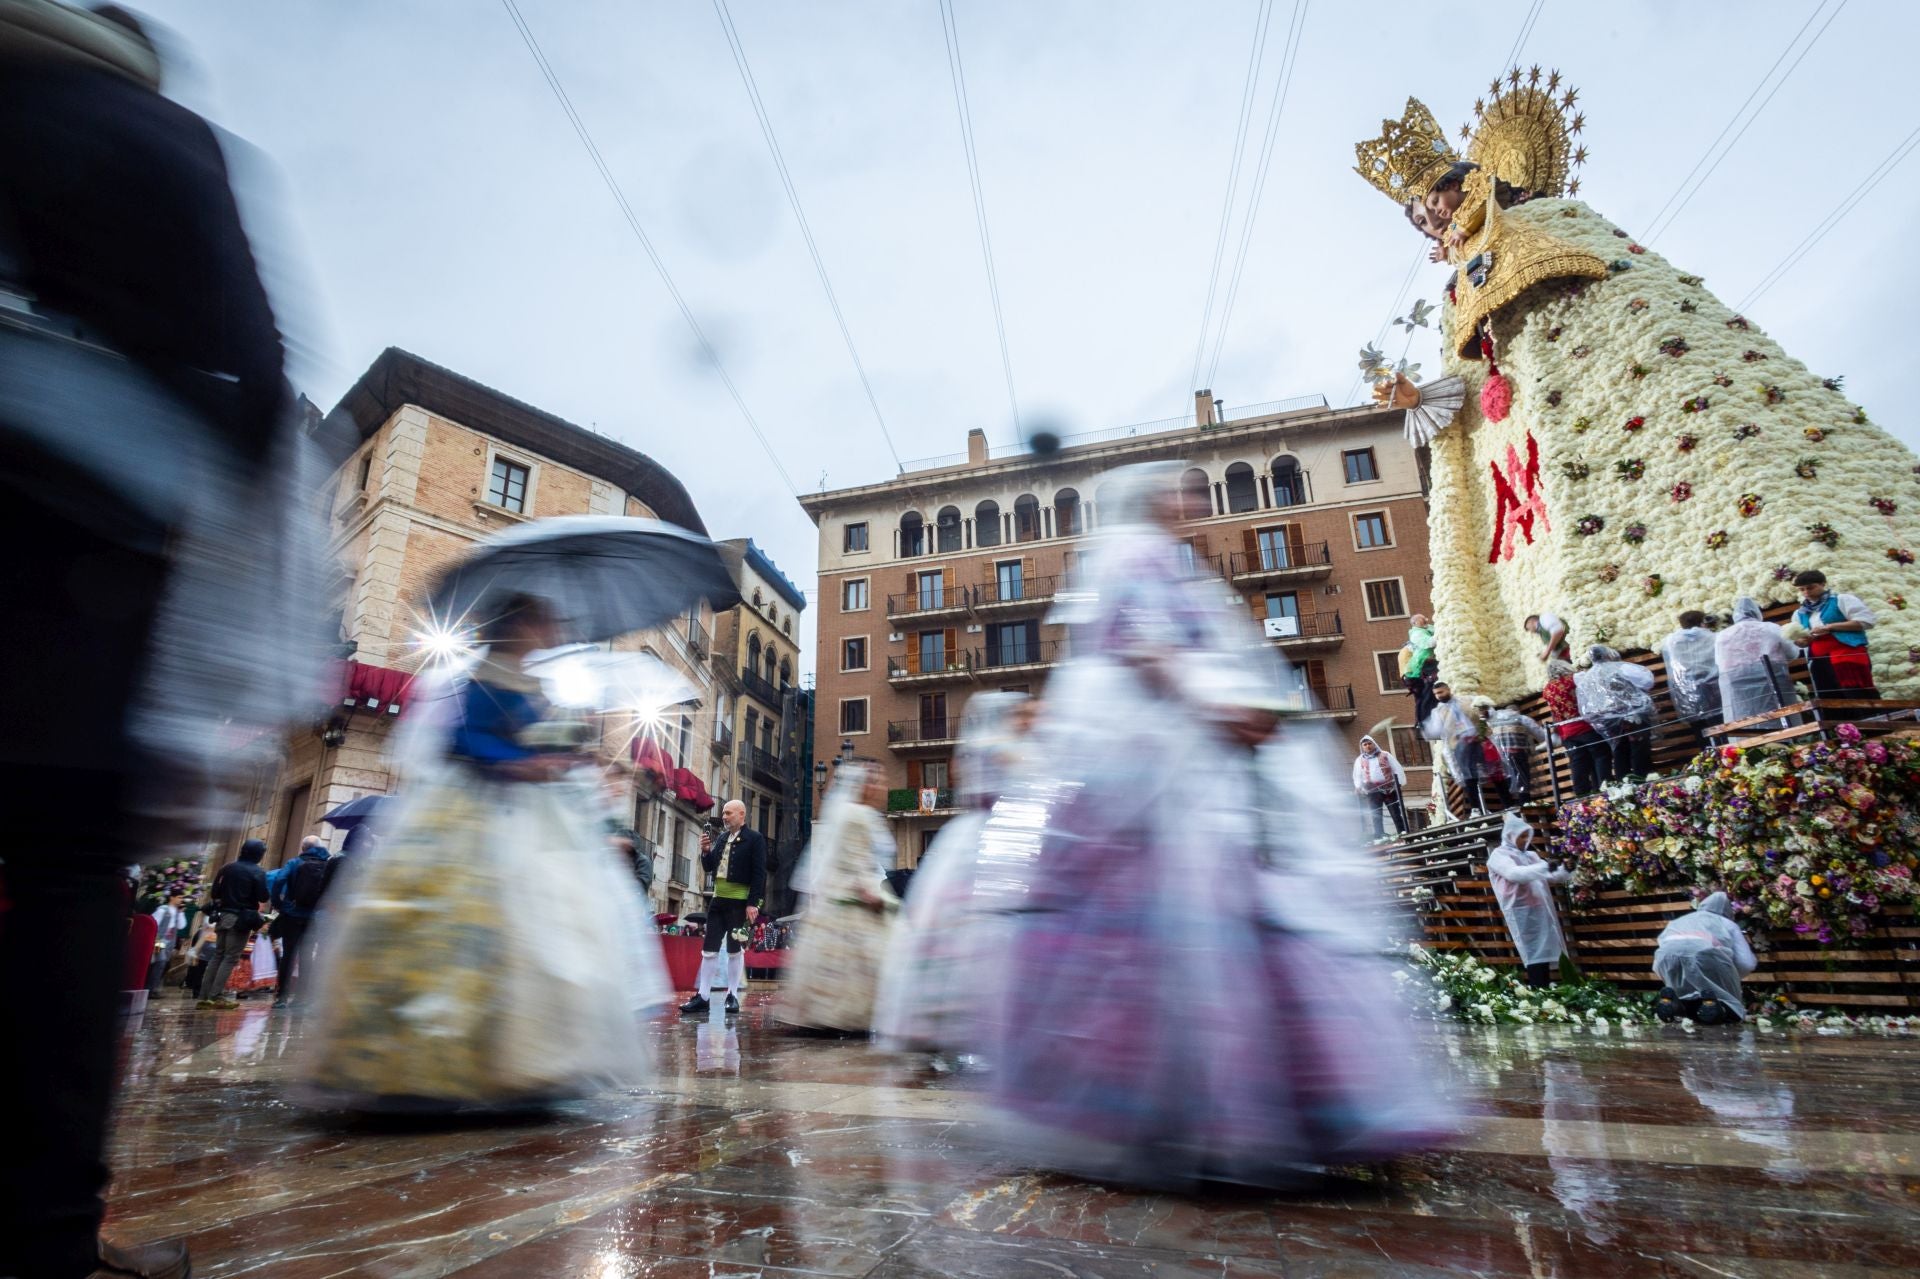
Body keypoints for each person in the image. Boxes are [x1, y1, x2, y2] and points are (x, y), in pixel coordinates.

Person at [984, 462, 1454, 1187]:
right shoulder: (1135, 554)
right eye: (1184, 490)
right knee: (1193, 932)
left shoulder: (1170, 561)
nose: (1196, 502)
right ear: (1153, 499)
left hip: (1193, 773)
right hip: (1154, 784)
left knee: (1240, 924)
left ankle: (1249, 1104)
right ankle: (1197, 1108)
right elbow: (1146, 647)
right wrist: (1217, 703)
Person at [298, 595, 669, 1112]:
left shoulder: (532, 680)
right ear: (519, 625)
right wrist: (524, 763)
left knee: (539, 930)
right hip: (474, 815)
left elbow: (534, 740)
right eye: (545, 620)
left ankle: (526, 1059)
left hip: (527, 817)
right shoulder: (482, 674)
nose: (554, 630)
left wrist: (565, 757)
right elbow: (466, 740)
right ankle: (437, 1057)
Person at [874, 691, 1033, 1062]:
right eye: (1024, 713)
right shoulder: (1000, 748)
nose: (1031, 720)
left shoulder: (998, 747)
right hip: (993, 841)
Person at [776, 760, 900, 1033]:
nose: (882, 786)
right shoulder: (858, 816)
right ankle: (851, 1017)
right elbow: (855, 860)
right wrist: (872, 894)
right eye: (876, 780)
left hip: (836, 894)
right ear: (863, 786)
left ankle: (827, 1013)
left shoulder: (850, 813)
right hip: (854, 894)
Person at [680, 799, 767, 1017]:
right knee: (709, 950)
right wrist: (705, 851)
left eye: (728, 813)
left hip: (739, 902)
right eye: (724, 813)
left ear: (741, 814)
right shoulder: (720, 838)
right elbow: (709, 867)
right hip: (718, 901)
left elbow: (759, 874)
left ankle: (732, 996)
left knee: (734, 950)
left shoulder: (755, 839)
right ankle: (704, 996)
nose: (725, 817)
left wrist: (752, 903)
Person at [1485, 811, 1571, 988]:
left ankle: (1545, 994)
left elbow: (1551, 876)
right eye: (1521, 836)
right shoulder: (1499, 856)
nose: (1525, 840)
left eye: (1527, 836)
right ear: (1510, 835)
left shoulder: (1531, 856)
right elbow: (1515, 874)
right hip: (1521, 911)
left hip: (1541, 909)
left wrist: (1567, 869)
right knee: (1534, 954)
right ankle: (1539, 994)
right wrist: (1547, 867)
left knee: (1545, 953)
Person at [1652, 892, 1757, 1025]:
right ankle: (1720, 1008)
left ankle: (1675, 1005)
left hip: (1665, 957)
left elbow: (1663, 945)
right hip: (1705, 954)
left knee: (1682, 992)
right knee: (1727, 999)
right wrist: (1730, 977)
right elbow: (1746, 963)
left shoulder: (1679, 920)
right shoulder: (1727, 923)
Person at [198, 840, 269, 1010]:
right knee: (230, 957)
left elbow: (214, 893)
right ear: (258, 854)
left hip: (222, 917)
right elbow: (263, 897)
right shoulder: (257, 871)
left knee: (218, 955)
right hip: (240, 919)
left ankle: (204, 996)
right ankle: (215, 997)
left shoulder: (226, 868)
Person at [1715, 597, 1801, 727]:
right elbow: (1791, 652)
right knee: (1780, 712)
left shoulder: (1723, 635)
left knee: (1744, 715)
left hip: (1737, 681)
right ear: (1757, 612)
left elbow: (1719, 662)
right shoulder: (1771, 628)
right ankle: (1790, 741)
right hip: (1772, 676)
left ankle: (1748, 744)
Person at [267, 835, 331, 1008]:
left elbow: (280, 879)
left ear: (303, 848)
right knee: (307, 956)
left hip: (292, 914)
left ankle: (281, 998)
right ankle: (301, 998)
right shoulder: (327, 864)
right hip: (314, 917)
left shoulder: (294, 863)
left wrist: (278, 903)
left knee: (288, 955)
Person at [1576, 646, 1657, 781]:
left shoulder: (1586, 678)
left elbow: (1585, 707)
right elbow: (1647, 681)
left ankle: (1623, 786)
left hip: (1607, 721)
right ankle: (1643, 782)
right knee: (1639, 748)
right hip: (1632, 714)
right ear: (1608, 655)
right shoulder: (1622, 667)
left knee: (1619, 751)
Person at [1791, 570, 1877, 696]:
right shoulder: (1799, 613)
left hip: (1847, 653)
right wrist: (1802, 641)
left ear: (1823, 584)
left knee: (1856, 692)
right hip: (1819, 659)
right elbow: (1800, 642)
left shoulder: (1842, 599)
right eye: (1801, 589)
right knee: (1830, 696)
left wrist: (1830, 627)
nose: (1806, 592)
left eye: (1810, 587)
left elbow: (1867, 621)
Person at [1542, 658, 1607, 796]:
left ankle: (1581, 793)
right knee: (1600, 755)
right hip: (1584, 726)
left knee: (1578, 762)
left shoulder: (1547, 689)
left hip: (1566, 732)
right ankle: (1605, 785)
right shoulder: (1576, 678)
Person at [1422, 682, 1488, 817]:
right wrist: (1425, 732)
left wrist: (1484, 718)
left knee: (1492, 770)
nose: (1439, 696)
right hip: (1459, 744)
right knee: (1468, 774)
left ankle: (1506, 804)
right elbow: (1435, 730)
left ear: (1448, 690)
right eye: (1436, 694)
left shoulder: (1466, 700)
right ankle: (1476, 808)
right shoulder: (1438, 711)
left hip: (1479, 739)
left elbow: (1482, 711)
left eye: (1441, 692)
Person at [1660, 611, 1723, 747]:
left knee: (1700, 729)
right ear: (1703, 621)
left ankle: (1708, 760)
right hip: (1714, 686)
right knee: (1721, 724)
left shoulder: (1671, 640)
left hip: (1688, 689)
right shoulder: (1712, 637)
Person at [1486, 704, 1548, 805]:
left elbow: (1487, 734)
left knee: (1509, 778)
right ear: (1517, 711)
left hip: (1500, 756)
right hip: (1518, 752)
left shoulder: (1493, 722)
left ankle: (1510, 805)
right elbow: (1541, 735)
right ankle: (1525, 803)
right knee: (1523, 778)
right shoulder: (1522, 718)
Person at [1351, 733, 1408, 839]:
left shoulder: (1385, 755)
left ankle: (1403, 834)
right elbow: (1357, 775)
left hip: (1389, 790)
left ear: (1374, 744)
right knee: (1376, 815)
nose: (1368, 746)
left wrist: (1399, 782)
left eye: (1369, 743)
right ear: (1362, 747)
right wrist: (1358, 786)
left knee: (1396, 813)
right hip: (1372, 792)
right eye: (1365, 745)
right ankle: (1379, 837)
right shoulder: (1359, 760)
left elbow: (1397, 768)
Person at [144, 891, 188, 997]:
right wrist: (155, 939)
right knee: (160, 961)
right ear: (172, 898)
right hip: (159, 940)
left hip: (170, 942)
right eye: (179, 897)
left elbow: (182, 926)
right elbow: (153, 923)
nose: (181, 900)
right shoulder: (162, 909)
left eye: (182, 898)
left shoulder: (178, 912)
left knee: (164, 964)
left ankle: (154, 986)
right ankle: (150, 988)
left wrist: (181, 912)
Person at [1403, 613, 1439, 723]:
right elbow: (1430, 643)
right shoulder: (1416, 634)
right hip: (1422, 667)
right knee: (1427, 694)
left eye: (1425, 618)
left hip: (1428, 665)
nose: (1425, 620)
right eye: (1422, 619)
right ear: (1415, 623)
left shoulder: (1427, 628)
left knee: (1428, 694)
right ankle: (1424, 721)